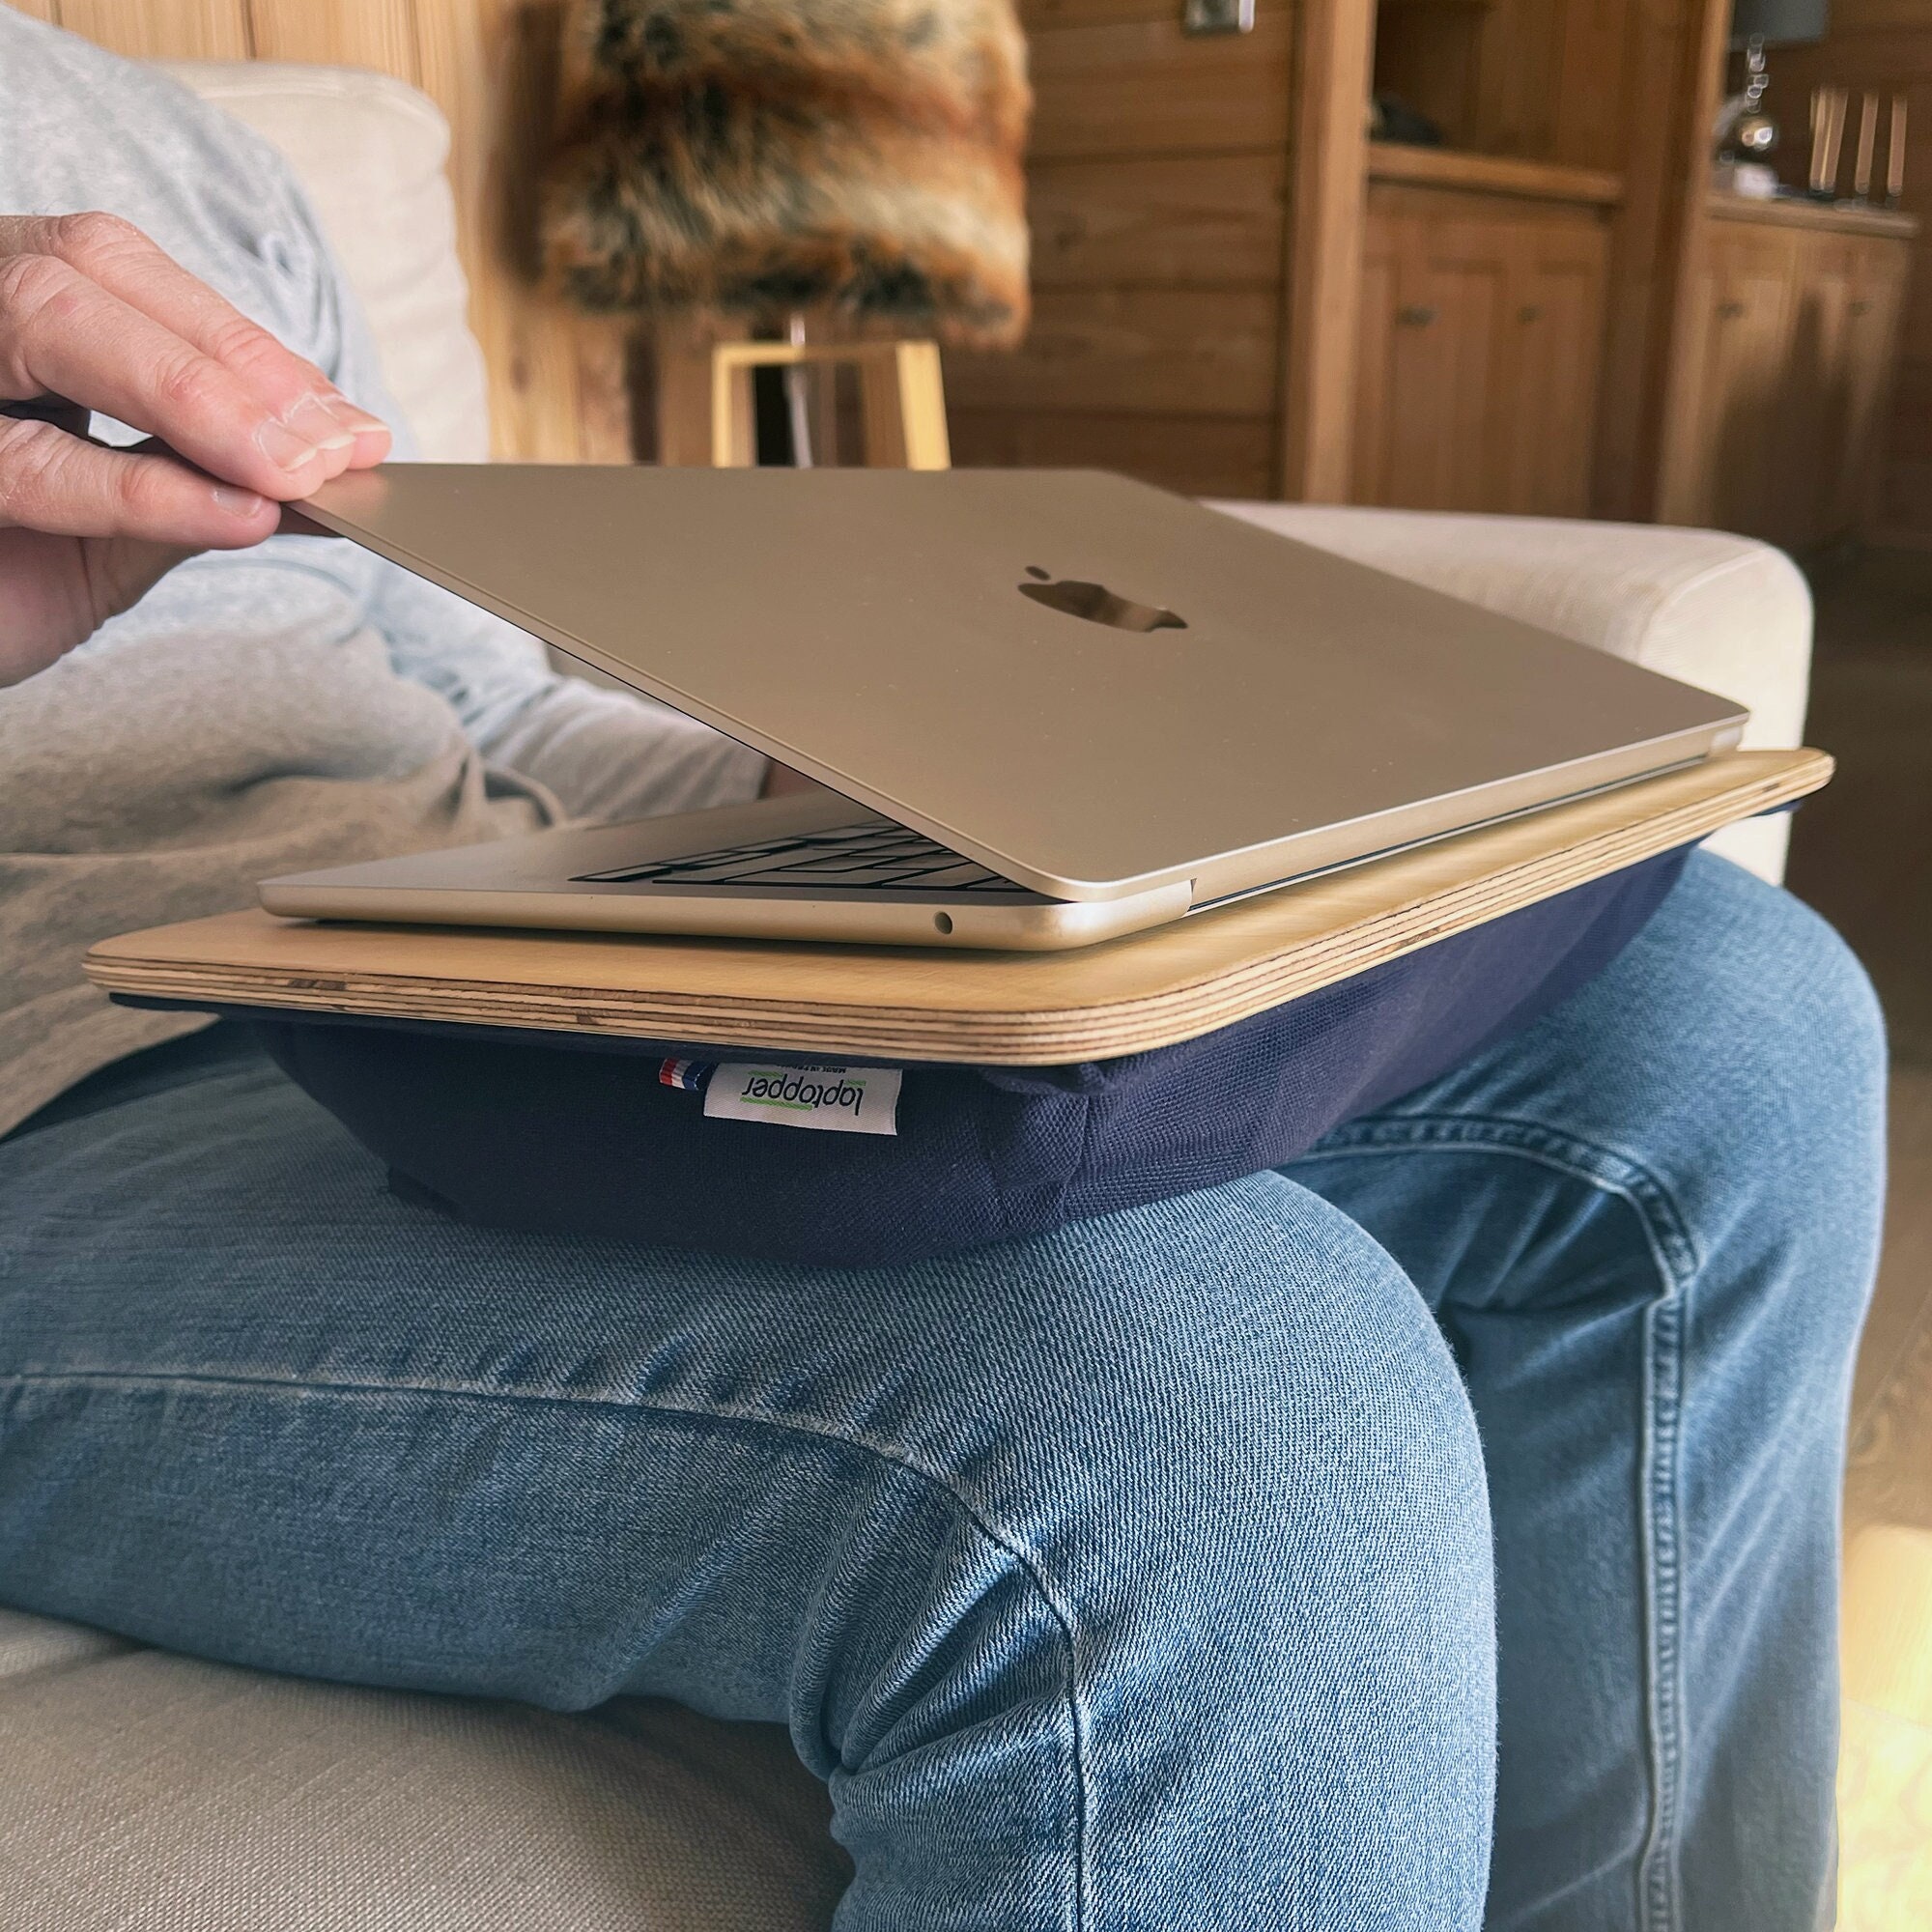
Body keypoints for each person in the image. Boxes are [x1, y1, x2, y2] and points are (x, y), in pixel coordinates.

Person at [0, 14, 1888, 1930]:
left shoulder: (171, 152)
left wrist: (848, 783)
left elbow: (461, 702)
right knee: (1213, 1410)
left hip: (437, 957)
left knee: (1728, 1017)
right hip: (61, 1099)